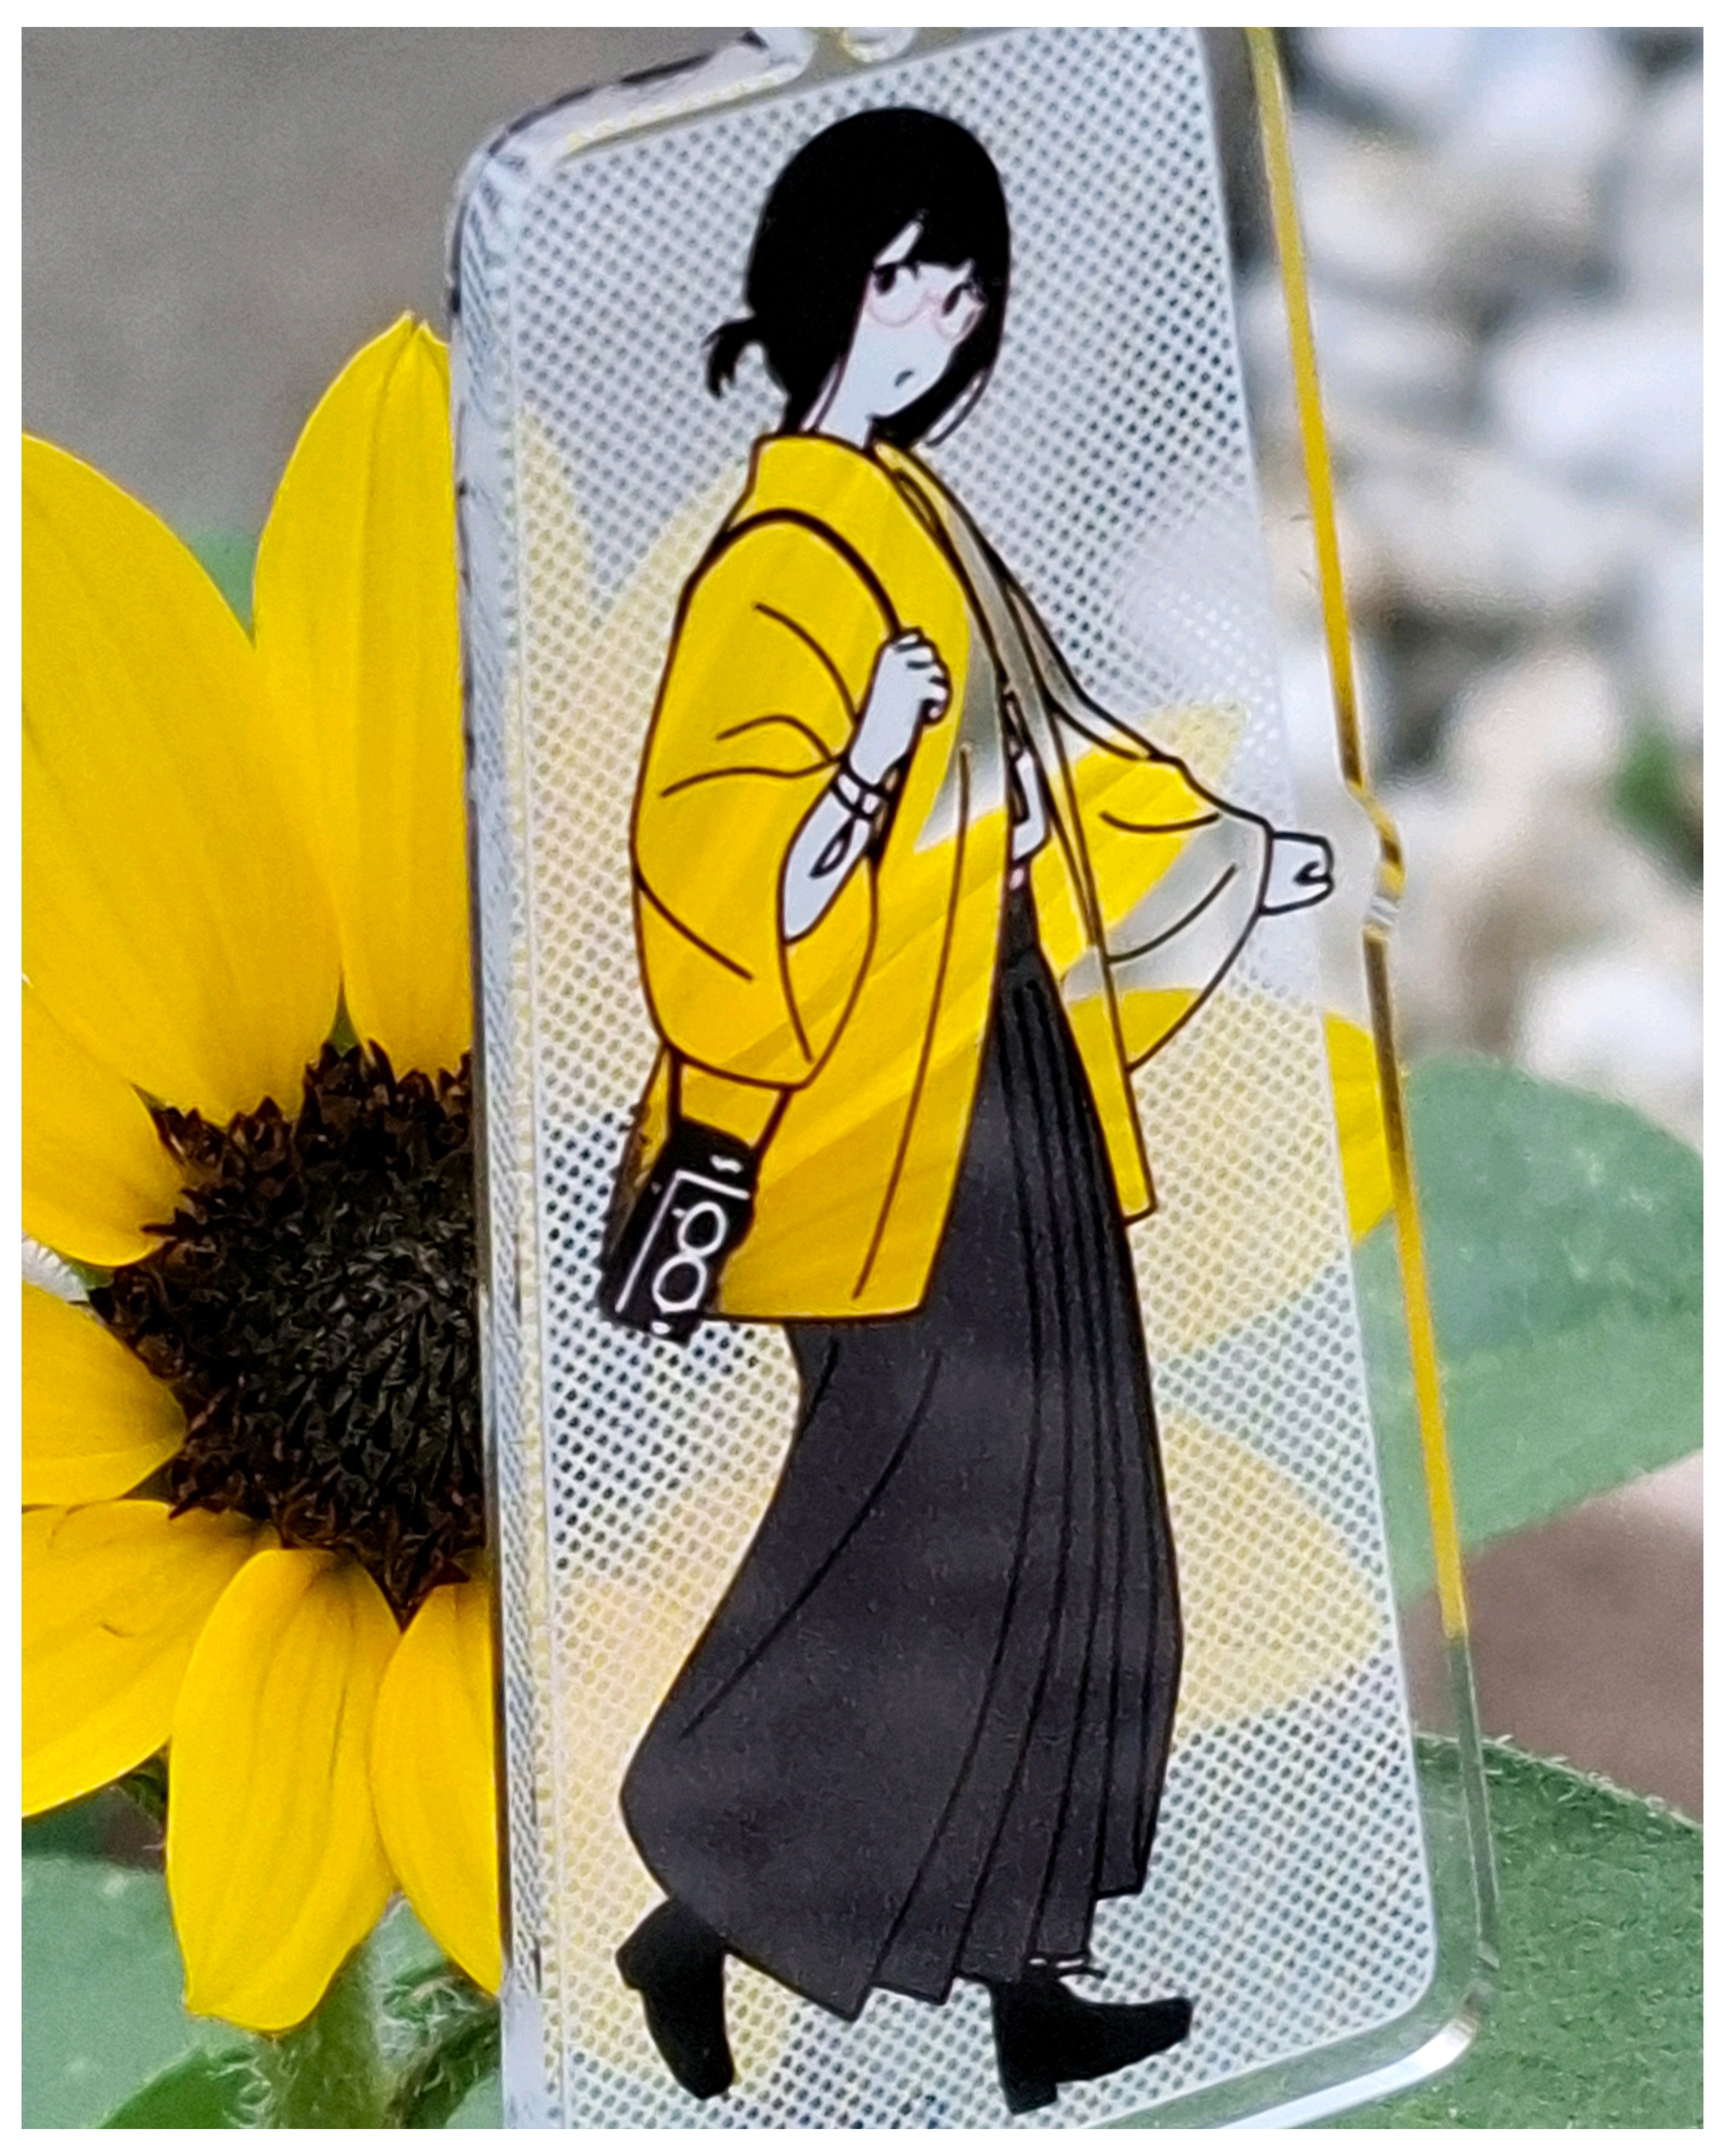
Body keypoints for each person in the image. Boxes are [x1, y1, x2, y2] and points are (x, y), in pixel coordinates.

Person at [610, 107, 1333, 2116]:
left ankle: (1036, 1984)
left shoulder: (927, 520)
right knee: (904, 1543)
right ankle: (694, 1890)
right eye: (910, 270)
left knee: (1085, 1532)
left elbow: (1055, 766)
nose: (943, 312)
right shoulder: (774, 570)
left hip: (1004, 1069)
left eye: (970, 281)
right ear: (822, 286)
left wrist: (1234, 853)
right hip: (875, 1128)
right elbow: (713, 880)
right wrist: (868, 771)